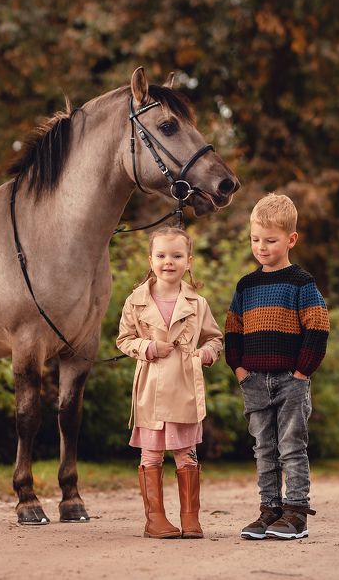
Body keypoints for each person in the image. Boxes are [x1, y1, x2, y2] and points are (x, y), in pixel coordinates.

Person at [225, 193, 329, 540]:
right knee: (264, 448)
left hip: (290, 380)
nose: (262, 247)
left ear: (291, 240)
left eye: (270, 240)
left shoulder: (302, 283)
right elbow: (233, 331)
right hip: (254, 380)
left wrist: (301, 374)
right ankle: (269, 510)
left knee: (291, 446)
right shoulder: (246, 285)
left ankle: (296, 514)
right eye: (256, 239)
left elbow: (317, 328)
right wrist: (239, 370)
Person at [116, 226, 223, 539]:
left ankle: (190, 517)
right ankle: (156, 519)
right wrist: (147, 348)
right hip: (150, 387)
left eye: (176, 255)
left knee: (185, 452)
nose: (168, 261)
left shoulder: (197, 303)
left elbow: (215, 338)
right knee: (150, 454)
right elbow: (124, 339)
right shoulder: (135, 302)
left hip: (184, 387)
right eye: (161, 255)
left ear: (188, 261)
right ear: (150, 260)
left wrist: (205, 354)